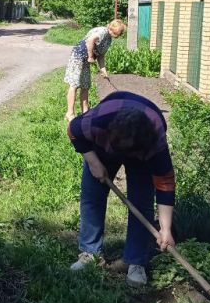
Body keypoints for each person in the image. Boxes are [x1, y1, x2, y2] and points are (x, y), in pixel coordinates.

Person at [66, 90, 176, 287]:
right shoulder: (98, 121)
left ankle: (136, 262)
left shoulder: (154, 141)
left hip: (141, 152)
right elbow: (73, 131)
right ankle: (90, 253)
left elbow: (165, 184)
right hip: (103, 148)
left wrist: (166, 229)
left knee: (141, 202)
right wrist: (93, 162)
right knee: (92, 196)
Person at [64, 19, 127, 121]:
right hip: (78, 56)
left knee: (85, 85)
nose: (119, 35)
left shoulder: (109, 38)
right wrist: (90, 56)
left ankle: (86, 112)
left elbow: (101, 55)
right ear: (114, 29)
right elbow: (90, 40)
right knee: (74, 84)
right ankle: (70, 113)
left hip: (86, 60)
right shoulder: (102, 31)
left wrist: (103, 69)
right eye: (119, 32)